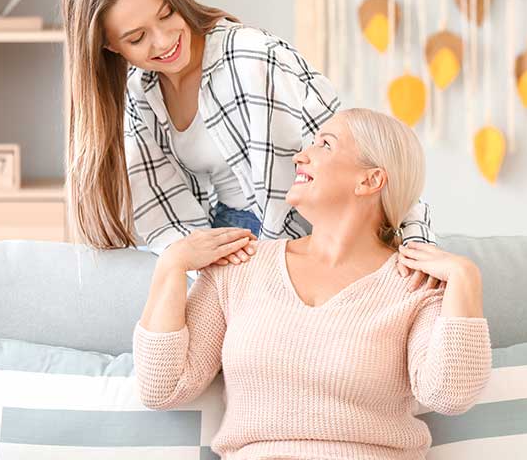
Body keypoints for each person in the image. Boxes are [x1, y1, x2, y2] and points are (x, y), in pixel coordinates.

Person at [133, 108, 492, 460]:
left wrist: (465, 279)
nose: (300, 156)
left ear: (370, 180)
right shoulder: (239, 267)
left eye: (325, 145)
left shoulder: (414, 284)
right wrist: (172, 265)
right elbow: (162, 387)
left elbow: (449, 394)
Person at [61, 0, 435, 279]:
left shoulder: (255, 56)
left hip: (309, 237)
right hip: (226, 240)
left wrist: (415, 246)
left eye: (167, 13)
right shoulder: (139, 95)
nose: (164, 40)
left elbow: (363, 158)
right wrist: (197, 270)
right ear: (110, 48)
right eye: (137, 38)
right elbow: (168, 219)